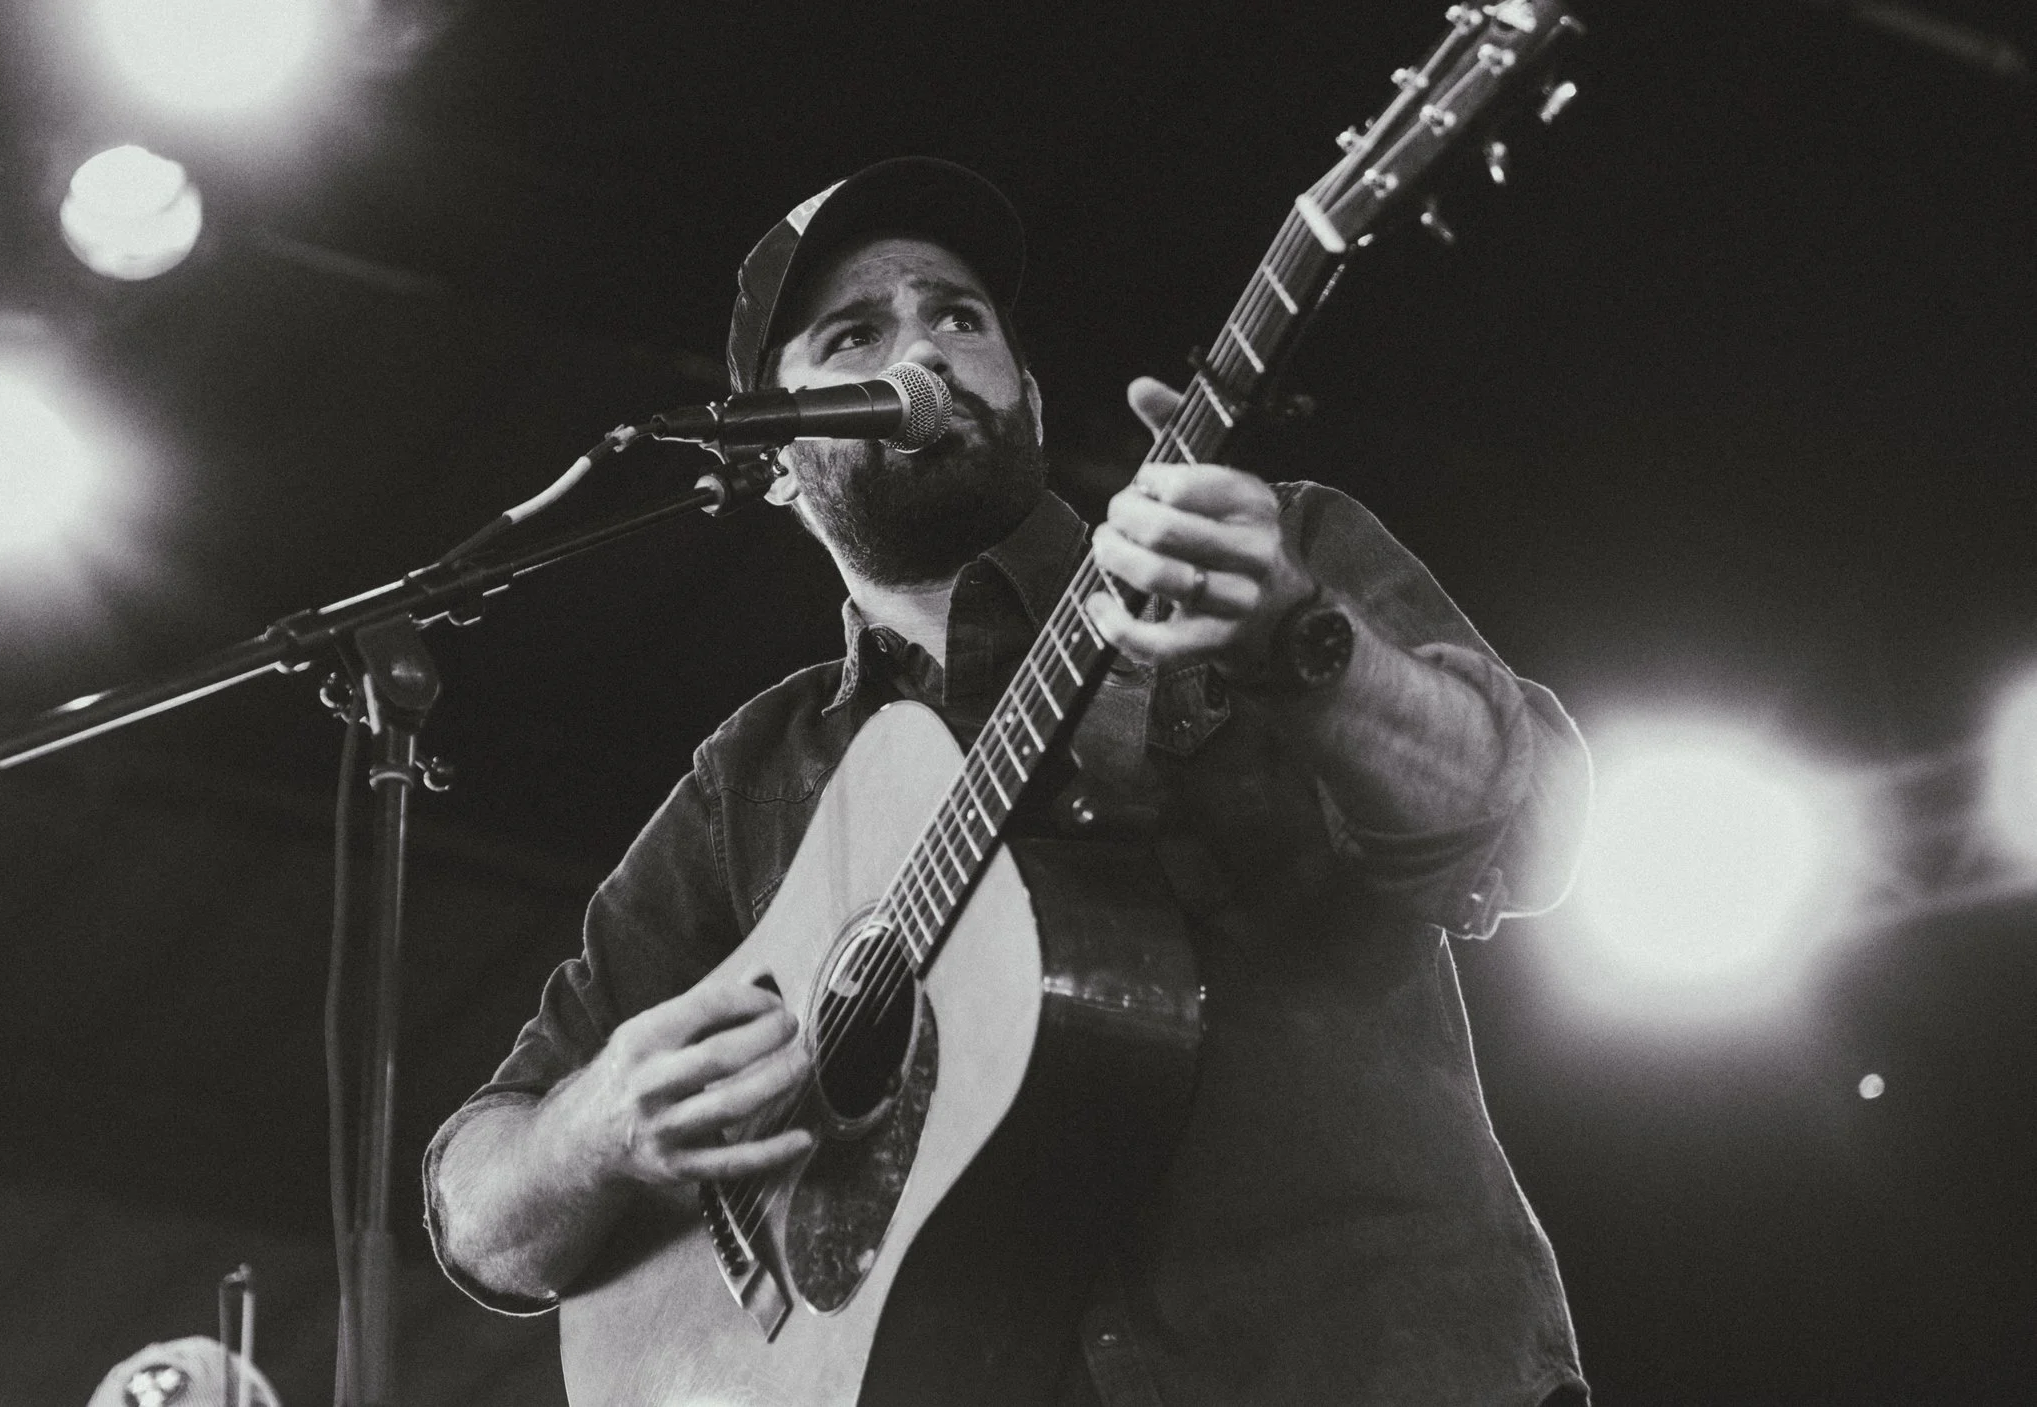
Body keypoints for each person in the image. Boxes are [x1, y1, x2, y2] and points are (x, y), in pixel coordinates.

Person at [422, 156, 1593, 1407]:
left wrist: (1302, 642)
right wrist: (595, 1128)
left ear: (1024, 394)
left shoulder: (1258, 543)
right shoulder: (751, 782)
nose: (922, 350)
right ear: (772, 455)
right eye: (855, 334)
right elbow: (479, 1206)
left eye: (957, 316)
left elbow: (1520, 829)